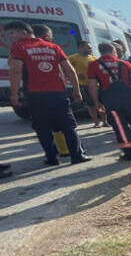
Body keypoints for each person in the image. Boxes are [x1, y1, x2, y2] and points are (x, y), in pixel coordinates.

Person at [4, 21, 91, 166]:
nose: (9, 38)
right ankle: (77, 155)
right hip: (58, 93)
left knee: (42, 127)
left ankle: (52, 157)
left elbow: (16, 70)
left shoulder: (19, 47)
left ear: (24, 33)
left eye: (12, 34)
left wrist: (14, 94)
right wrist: (76, 90)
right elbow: (70, 70)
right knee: (67, 125)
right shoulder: (54, 47)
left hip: (35, 93)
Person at [87, 43, 131, 160]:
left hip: (111, 101)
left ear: (100, 52)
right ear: (113, 51)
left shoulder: (94, 65)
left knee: (120, 126)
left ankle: (130, 153)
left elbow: (92, 85)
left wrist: (96, 102)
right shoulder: (125, 64)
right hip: (130, 99)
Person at [68, 41, 108, 127]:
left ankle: (105, 122)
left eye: (90, 47)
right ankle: (96, 123)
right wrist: (76, 75)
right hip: (84, 85)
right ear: (81, 48)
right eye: (88, 47)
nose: (90, 49)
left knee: (101, 104)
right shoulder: (73, 58)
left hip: (96, 85)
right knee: (91, 105)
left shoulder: (93, 58)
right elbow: (65, 68)